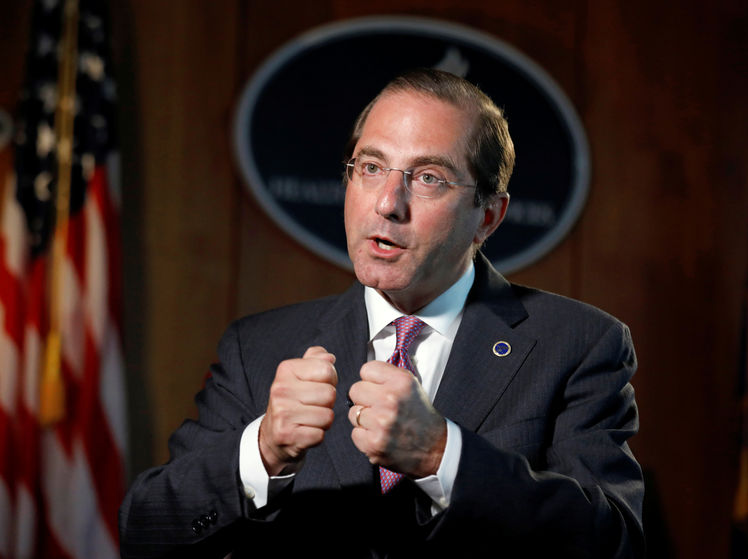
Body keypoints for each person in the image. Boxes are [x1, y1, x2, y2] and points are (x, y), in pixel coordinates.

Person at [119, 68, 644, 558]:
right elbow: (146, 533)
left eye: (429, 177)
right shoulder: (257, 347)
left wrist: (444, 456)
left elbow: (613, 541)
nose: (388, 202)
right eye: (370, 168)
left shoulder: (578, 344)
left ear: (488, 215)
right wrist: (260, 452)